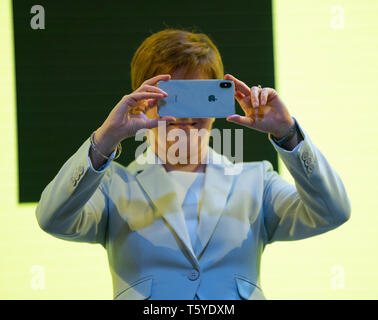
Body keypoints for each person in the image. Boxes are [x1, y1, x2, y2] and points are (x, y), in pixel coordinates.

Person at [35, 28, 351, 300]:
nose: (185, 115)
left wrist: (288, 134)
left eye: (199, 95)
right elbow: (53, 218)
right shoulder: (112, 187)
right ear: (143, 101)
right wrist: (104, 140)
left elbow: (332, 212)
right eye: (172, 96)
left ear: (219, 99)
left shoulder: (257, 181)